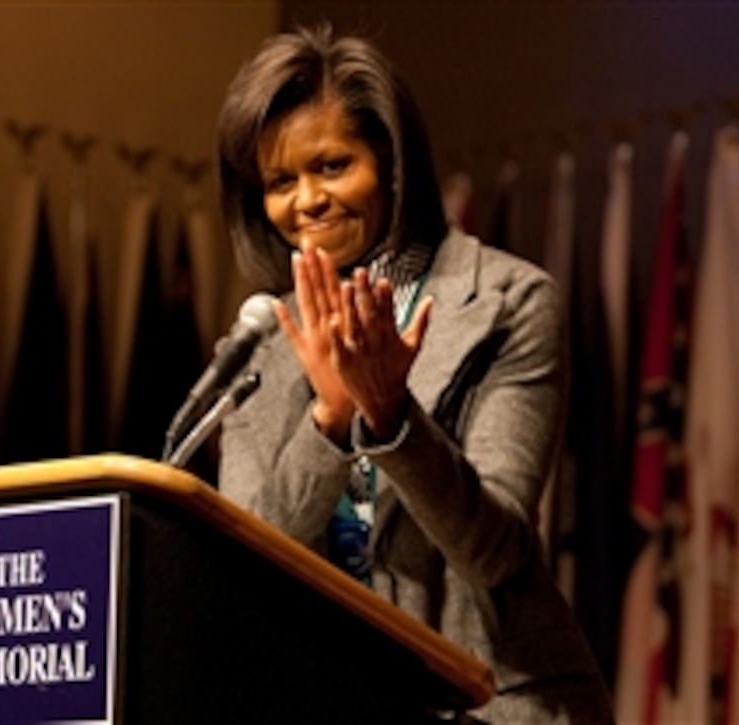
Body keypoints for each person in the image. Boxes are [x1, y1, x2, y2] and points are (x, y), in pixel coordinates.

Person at [214, 24, 614, 723]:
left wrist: (391, 416)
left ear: (392, 165)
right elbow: (247, 561)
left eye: (332, 166)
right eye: (280, 181)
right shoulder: (260, 337)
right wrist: (330, 424)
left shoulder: (510, 302)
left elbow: (496, 551)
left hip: (493, 703)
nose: (306, 200)